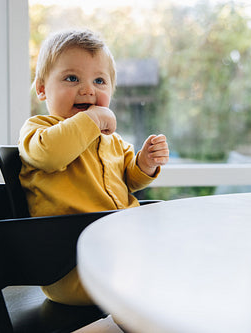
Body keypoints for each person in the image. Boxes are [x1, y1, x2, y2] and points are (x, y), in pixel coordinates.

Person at [18, 29, 169, 305]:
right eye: (72, 78)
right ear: (42, 88)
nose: (88, 90)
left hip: (117, 251)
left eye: (99, 81)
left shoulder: (111, 141)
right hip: (71, 265)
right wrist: (94, 118)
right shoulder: (39, 130)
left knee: (182, 260)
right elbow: (51, 155)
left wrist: (144, 164)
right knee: (167, 282)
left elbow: (129, 180)